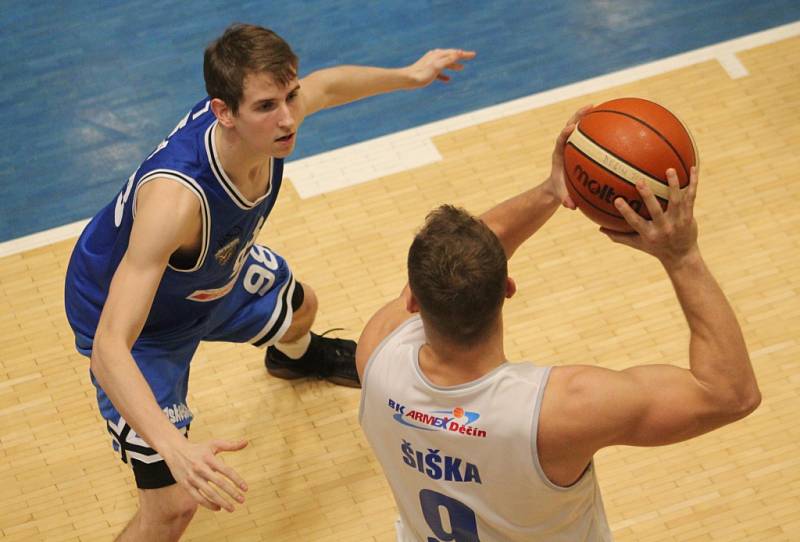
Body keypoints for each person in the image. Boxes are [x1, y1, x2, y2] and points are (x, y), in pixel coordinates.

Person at [64, 22, 474, 541]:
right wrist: (175, 447)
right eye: (266, 107)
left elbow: (327, 86)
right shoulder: (175, 202)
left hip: (211, 273)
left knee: (301, 306)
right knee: (171, 509)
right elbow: (109, 348)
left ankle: (291, 357)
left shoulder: (271, 118)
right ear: (223, 113)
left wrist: (410, 75)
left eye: (290, 96)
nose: (287, 119)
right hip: (138, 325)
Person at [356, 107, 761, 541]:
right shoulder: (560, 411)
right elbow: (730, 394)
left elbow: (458, 252)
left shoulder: (377, 353)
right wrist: (682, 257)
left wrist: (552, 190)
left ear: (414, 301)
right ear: (508, 287)